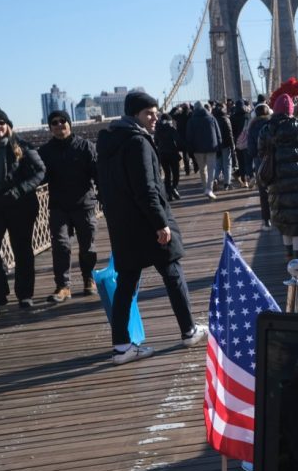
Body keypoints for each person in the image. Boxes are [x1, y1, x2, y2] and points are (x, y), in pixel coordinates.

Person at [96, 91, 206, 364]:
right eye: (149, 113)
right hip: (147, 222)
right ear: (135, 115)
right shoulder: (137, 142)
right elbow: (147, 188)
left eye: (156, 112)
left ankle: (121, 346)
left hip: (123, 225)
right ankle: (189, 330)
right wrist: (160, 223)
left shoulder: (109, 143)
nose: (155, 117)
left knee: (127, 282)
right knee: (172, 271)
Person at [0, 107, 46, 314]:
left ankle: (25, 295)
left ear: (8, 126)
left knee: (22, 250)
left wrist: (19, 191)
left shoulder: (22, 147)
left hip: (19, 206)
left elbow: (40, 171)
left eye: (1, 123)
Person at [38, 109, 99, 303]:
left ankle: (89, 279)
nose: (59, 125)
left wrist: (107, 196)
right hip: (58, 206)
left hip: (84, 204)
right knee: (61, 245)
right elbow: (39, 177)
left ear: (69, 124)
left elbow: (98, 174)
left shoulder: (85, 146)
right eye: (54, 123)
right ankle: (63, 286)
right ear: (50, 128)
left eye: (62, 121)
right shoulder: (45, 151)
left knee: (87, 246)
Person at [257, 93, 298, 260]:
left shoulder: (266, 129)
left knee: (285, 219)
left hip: (276, 179)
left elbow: (261, 153)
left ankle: (289, 255)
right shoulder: (297, 125)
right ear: (290, 110)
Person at [185, 100, 221, 200]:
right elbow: (218, 133)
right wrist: (219, 145)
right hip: (211, 147)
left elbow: (189, 137)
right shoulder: (211, 117)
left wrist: (190, 150)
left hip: (197, 149)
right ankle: (209, 189)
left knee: (202, 169)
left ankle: (205, 188)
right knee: (211, 169)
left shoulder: (191, 120)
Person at [246, 102, 272, 227]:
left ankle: (266, 220)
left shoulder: (252, 126)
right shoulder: (272, 124)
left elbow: (250, 150)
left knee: (263, 192)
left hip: (259, 161)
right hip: (273, 160)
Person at [154, 112, 183, 202]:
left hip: (162, 154)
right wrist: (180, 148)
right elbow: (178, 139)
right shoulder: (171, 128)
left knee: (167, 174)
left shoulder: (157, 129)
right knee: (176, 173)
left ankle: (168, 194)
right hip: (172, 153)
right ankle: (174, 187)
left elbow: (156, 142)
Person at [213, 102, 235, 190]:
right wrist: (232, 145)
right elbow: (230, 133)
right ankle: (227, 183)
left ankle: (215, 179)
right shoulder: (226, 119)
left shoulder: (213, 119)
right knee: (227, 164)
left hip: (216, 145)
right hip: (226, 144)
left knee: (218, 164)